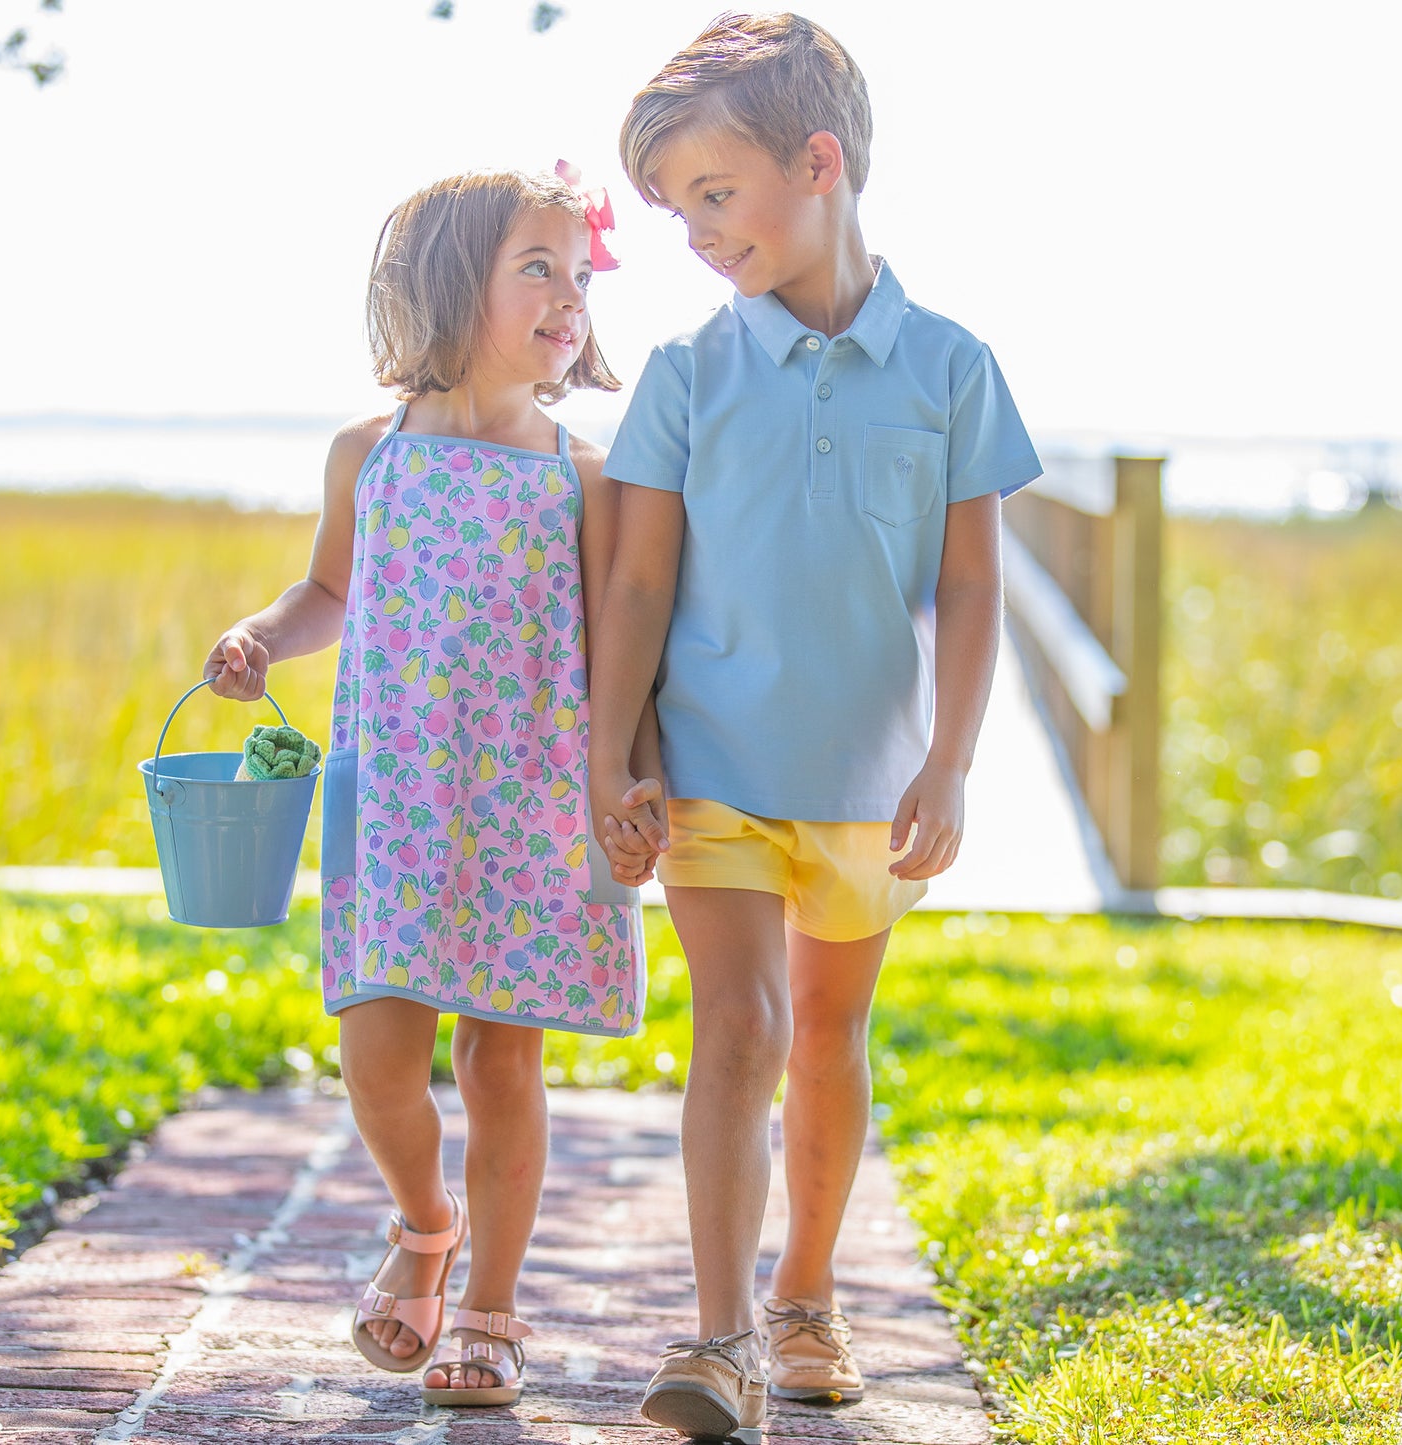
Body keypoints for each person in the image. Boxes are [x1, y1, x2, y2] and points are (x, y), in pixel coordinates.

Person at [588, 13, 1043, 1442]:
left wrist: (952, 759)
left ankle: (804, 1290)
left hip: (868, 780)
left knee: (829, 1034)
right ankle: (718, 1334)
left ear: (821, 162)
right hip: (712, 761)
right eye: (673, 211)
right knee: (737, 1027)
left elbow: (972, 588)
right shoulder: (681, 373)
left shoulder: (954, 366)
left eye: (712, 196)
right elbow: (640, 577)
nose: (694, 234)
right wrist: (614, 749)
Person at [204, 167, 658, 1408]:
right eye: (538, 267)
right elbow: (325, 596)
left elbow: (624, 641)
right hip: (397, 798)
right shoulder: (371, 451)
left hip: (527, 803)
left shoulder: (586, 472)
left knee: (501, 1062)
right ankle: (423, 1223)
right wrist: (259, 636)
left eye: (579, 274)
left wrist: (632, 778)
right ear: (450, 281)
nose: (569, 298)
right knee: (375, 1054)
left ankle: (492, 1306)